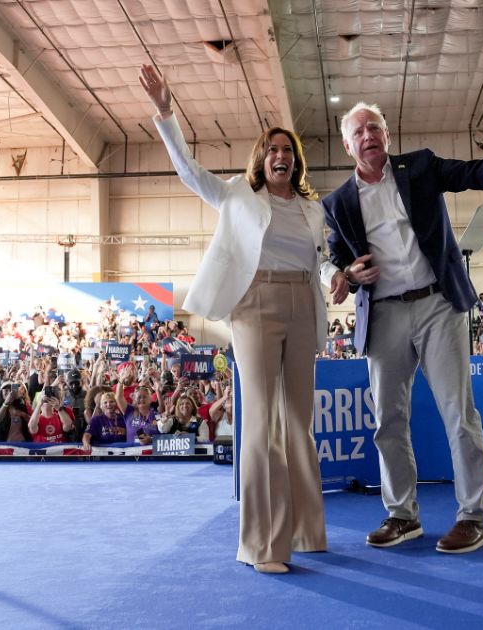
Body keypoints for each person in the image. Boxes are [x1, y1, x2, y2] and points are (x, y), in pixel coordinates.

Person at [322, 101, 483, 554]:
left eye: (374, 128)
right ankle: (402, 515)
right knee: (388, 421)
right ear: (346, 144)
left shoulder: (420, 167)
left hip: (438, 304)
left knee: (460, 415)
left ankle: (474, 517)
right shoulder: (337, 203)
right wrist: (345, 276)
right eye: (358, 132)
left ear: (387, 136)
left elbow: (472, 172)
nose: (368, 136)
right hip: (385, 315)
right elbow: (335, 258)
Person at [140, 64, 345, 574]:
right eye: (273, 149)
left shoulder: (312, 210)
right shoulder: (235, 195)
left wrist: (335, 276)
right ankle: (261, 545)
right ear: (262, 158)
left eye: (288, 151)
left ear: (296, 163)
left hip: (303, 306)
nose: (281, 156)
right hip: (253, 306)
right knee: (259, 424)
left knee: (299, 421)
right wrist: (166, 111)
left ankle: (304, 530)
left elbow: (317, 260)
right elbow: (188, 171)